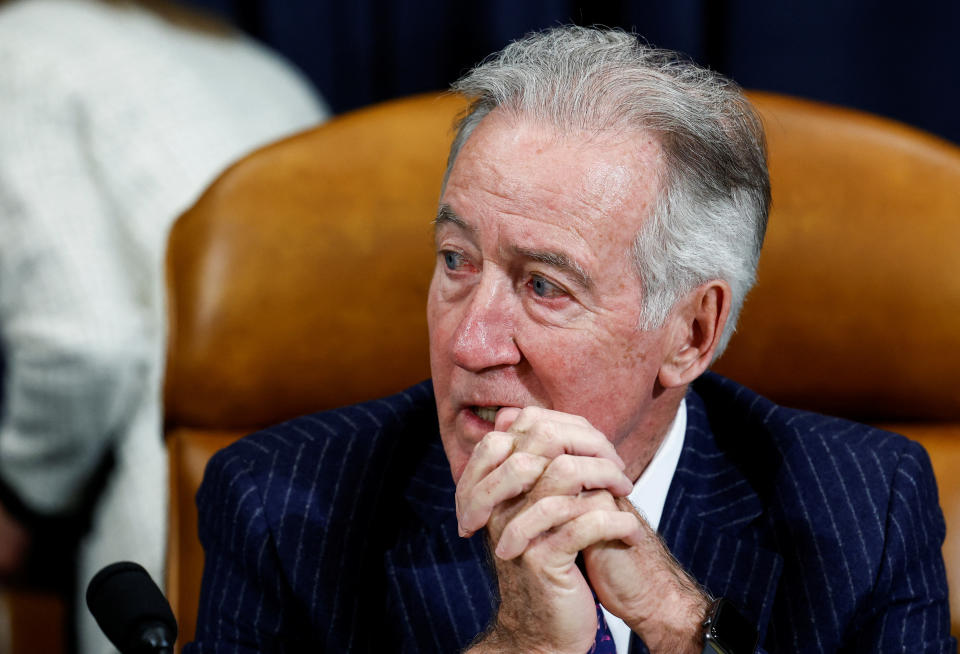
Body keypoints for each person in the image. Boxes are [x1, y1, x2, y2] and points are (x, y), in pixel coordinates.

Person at [185, 26, 954, 654]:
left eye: (544, 286)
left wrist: (679, 623)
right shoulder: (280, 510)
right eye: (456, 261)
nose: (471, 342)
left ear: (691, 333)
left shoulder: (864, 512)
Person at [0, 0, 328, 651]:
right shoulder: (251, 63)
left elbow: (83, 344)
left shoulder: (19, 50)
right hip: (340, 513)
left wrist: (20, 504)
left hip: (174, 540)